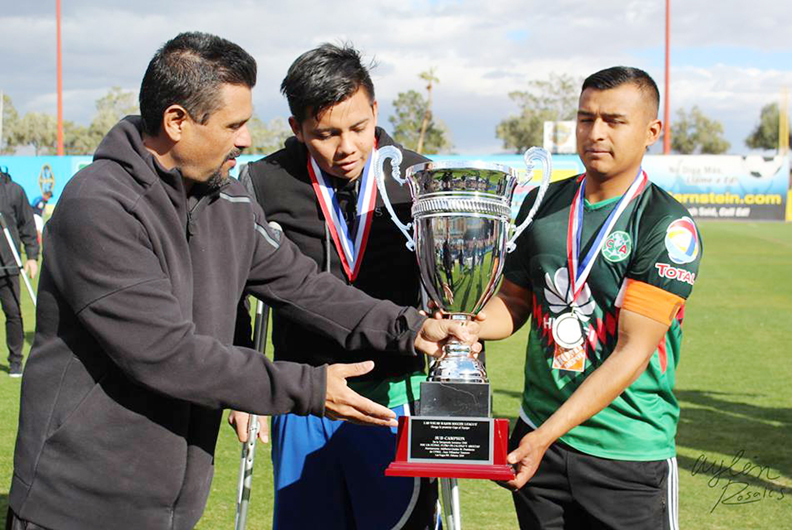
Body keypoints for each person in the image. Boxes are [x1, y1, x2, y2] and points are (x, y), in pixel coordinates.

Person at [6, 32, 479, 530]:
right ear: (176, 122)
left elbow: (304, 285)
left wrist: (410, 327)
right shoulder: (99, 207)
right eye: (234, 125)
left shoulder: (226, 199)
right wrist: (311, 386)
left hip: (171, 501)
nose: (246, 140)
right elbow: (165, 353)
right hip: (78, 504)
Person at [478, 66, 702, 529]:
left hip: (624, 455)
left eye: (614, 121)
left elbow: (633, 352)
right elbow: (515, 303)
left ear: (651, 132)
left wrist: (545, 435)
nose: (595, 133)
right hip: (537, 438)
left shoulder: (665, 225)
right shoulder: (542, 204)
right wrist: (466, 324)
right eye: (586, 119)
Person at [231, 43, 439, 530]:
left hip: (393, 400)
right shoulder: (262, 182)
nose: (346, 148)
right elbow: (230, 287)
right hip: (303, 399)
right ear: (297, 129)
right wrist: (242, 382)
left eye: (358, 128)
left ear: (374, 111)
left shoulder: (419, 178)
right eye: (325, 134)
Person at [0, 167, 38, 378]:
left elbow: (27, 225)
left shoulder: (14, 190)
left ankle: (16, 361)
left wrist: (32, 257)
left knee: (13, 312)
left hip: (8, 265)